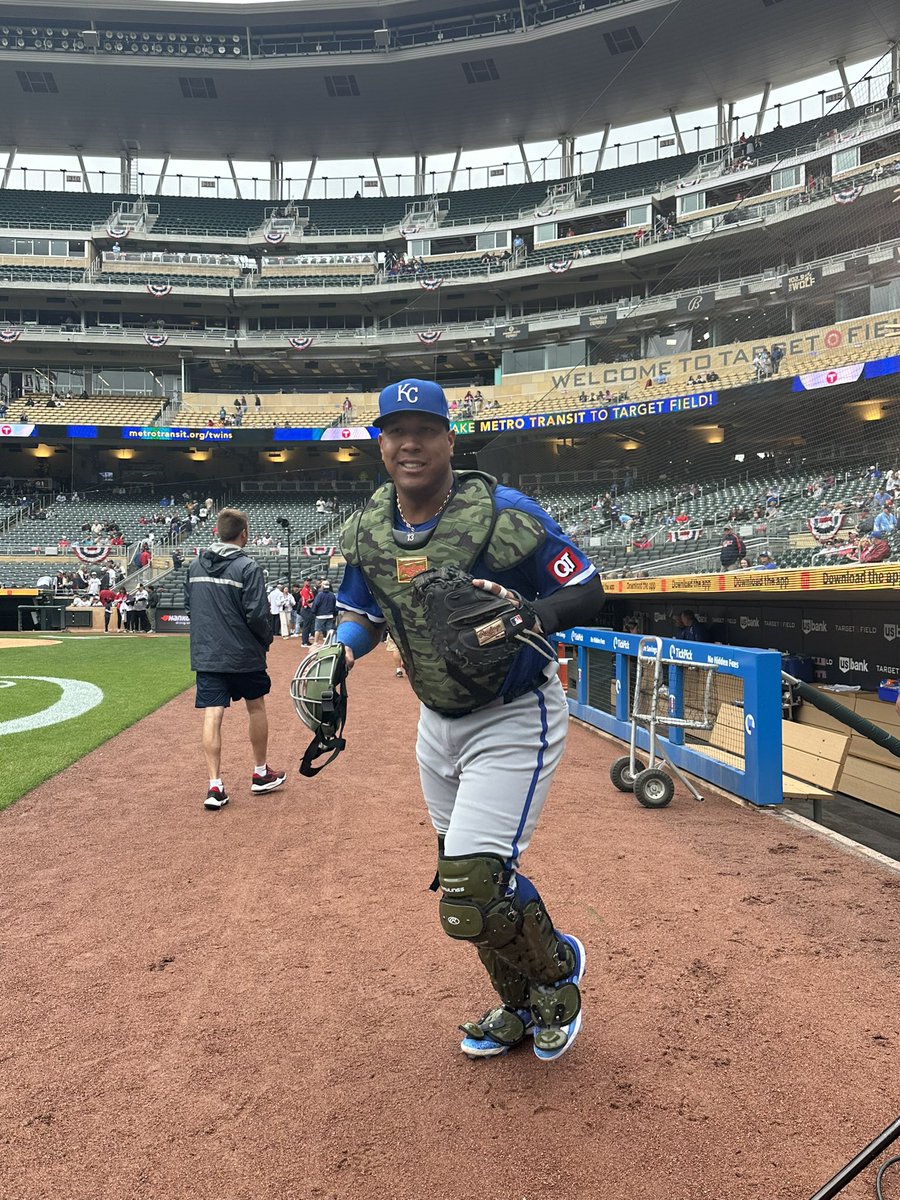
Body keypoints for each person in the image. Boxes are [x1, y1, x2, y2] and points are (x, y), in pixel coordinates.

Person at [330, 378, 604, 1062]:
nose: (411, 443)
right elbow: (362, 616)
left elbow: (586, 586)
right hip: (436, 720)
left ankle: (558, 980)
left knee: (475, 883)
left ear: (451, 439)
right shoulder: (368, 530)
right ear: (381, 444)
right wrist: (336, 654)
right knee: (464, 882)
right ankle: (516, 1006)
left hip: (514, 712)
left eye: (426, 429)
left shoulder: (503, 513)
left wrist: (534, 615)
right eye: (397, 430)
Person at [184, 508, 286, 811]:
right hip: (244, 653)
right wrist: (266, 639)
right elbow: (256, 613)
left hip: (208, 654)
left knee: (213, 714)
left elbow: (191, 607)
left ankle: (214, 785)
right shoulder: (248, 566)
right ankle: (260, 772)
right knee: (255, 707)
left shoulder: (195, 566)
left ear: (217, 531)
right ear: (244, 534)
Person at [311, 578, 336, 644]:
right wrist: (334, 615)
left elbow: (315, 604)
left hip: (320, 615)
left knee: (318, 629)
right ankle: (329, 643)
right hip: (330, 615)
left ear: (322, 586)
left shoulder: (319, 595)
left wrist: (314, 612)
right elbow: (334, 606)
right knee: (329, 629)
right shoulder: (332, 595)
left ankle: (316, 642)